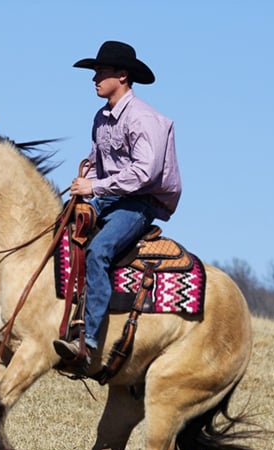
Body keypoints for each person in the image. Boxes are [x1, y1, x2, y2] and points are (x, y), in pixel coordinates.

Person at [53, 40, 183, 372]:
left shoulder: (143, 119)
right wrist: (85, 191)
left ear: (122, 76)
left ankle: (88, 341)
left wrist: (94, 186)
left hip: (139, 202)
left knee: (101, 250)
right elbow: (97, 163)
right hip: (107, 196)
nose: (94, 78)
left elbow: (144, 173)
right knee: (59, 232)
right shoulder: (101, 118)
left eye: (101, 72)